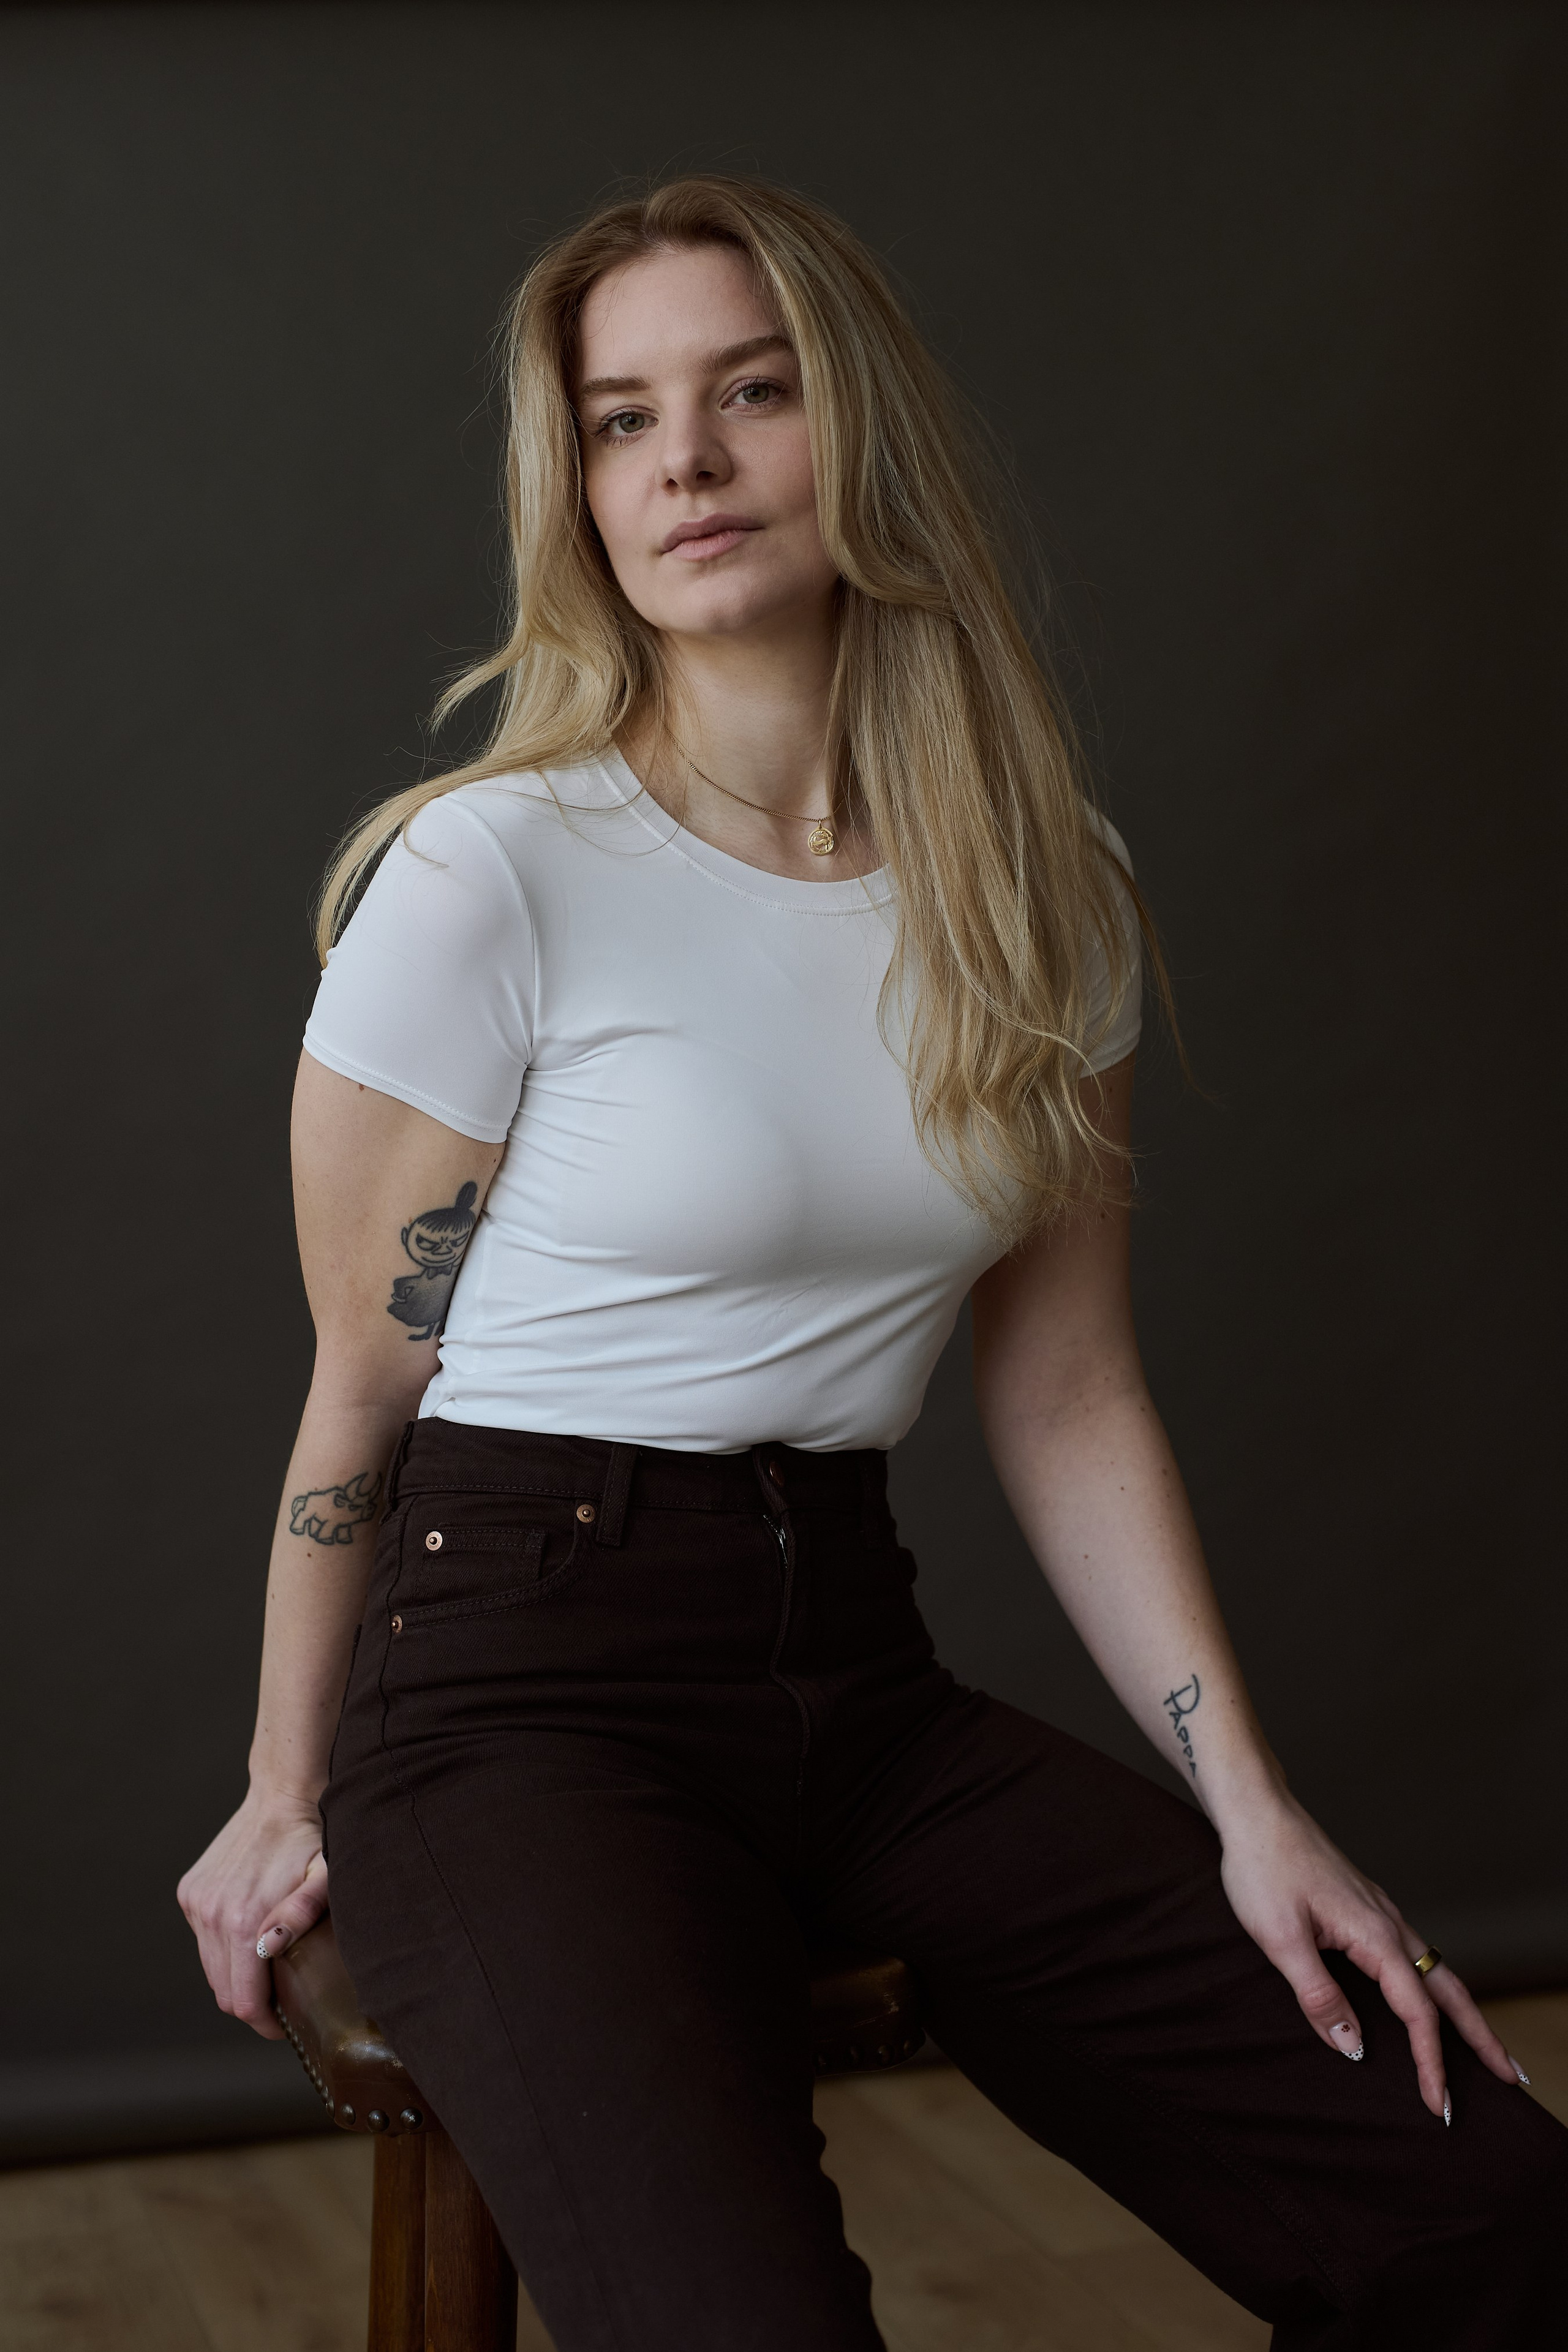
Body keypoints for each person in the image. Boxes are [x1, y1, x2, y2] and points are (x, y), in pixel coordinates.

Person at [178, 175, 1564, 2348]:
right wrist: (279, 1788)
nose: (692, 464)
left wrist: (1255, 1808)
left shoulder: (1040, 881)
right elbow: (361, 1390)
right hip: (518, 1692)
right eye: (624, 422)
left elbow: (1071, 1386)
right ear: (583, 496)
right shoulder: (496, 871)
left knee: (1489, 2208)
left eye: (752, 392)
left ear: (866, 430)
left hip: (860, 1670)